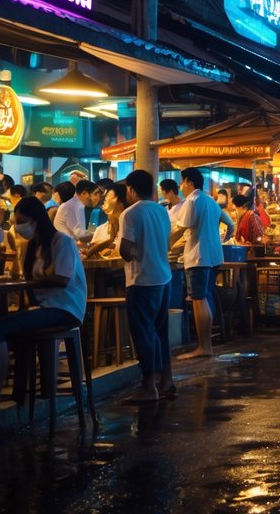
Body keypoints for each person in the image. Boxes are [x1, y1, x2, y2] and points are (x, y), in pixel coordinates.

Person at [0, 196, 87, 415]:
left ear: (36, 219)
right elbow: (22, 279)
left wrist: (29, 283)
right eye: (16, 222)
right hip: (42, 308)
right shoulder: (31, 248)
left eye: (22, 221)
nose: (18, 227)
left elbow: (62, 279)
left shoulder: (62, 242)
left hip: (64, 309)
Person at [119, 169, 175, 402]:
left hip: (142, 280)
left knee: (143, 333)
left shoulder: (130, 214)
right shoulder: (162, 211)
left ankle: (149, 387)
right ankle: (168, 381)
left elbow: (125, 250)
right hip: (164, 278)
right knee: (160, 332)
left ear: (131, 189)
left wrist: (132, 251)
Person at [169, 168, 234, 359]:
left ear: (188, 181)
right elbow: (230, 224)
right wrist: (223, 238)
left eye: (181, 182)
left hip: (198, 257)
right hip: (214, 256)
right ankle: (206, 345)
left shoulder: (192, 201)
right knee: (204, 297)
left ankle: (204, 346)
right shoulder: (211, 201)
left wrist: (165, 244)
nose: (181, 186)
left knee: (198, 299)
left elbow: (181, 230)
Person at [84, 183, 127, 259]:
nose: (102, 196)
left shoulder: (128, 224)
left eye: (100, 193)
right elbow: (90, 231)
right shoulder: (94, 213)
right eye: (96, 193)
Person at [55, 179, 98, 243]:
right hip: (67, 246)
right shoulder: (69, 206)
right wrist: (98, 233)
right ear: (84, 193)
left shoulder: (82, 206)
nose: (97, 197)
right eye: (95, 194)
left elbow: (89, 227)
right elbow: (78, 234)